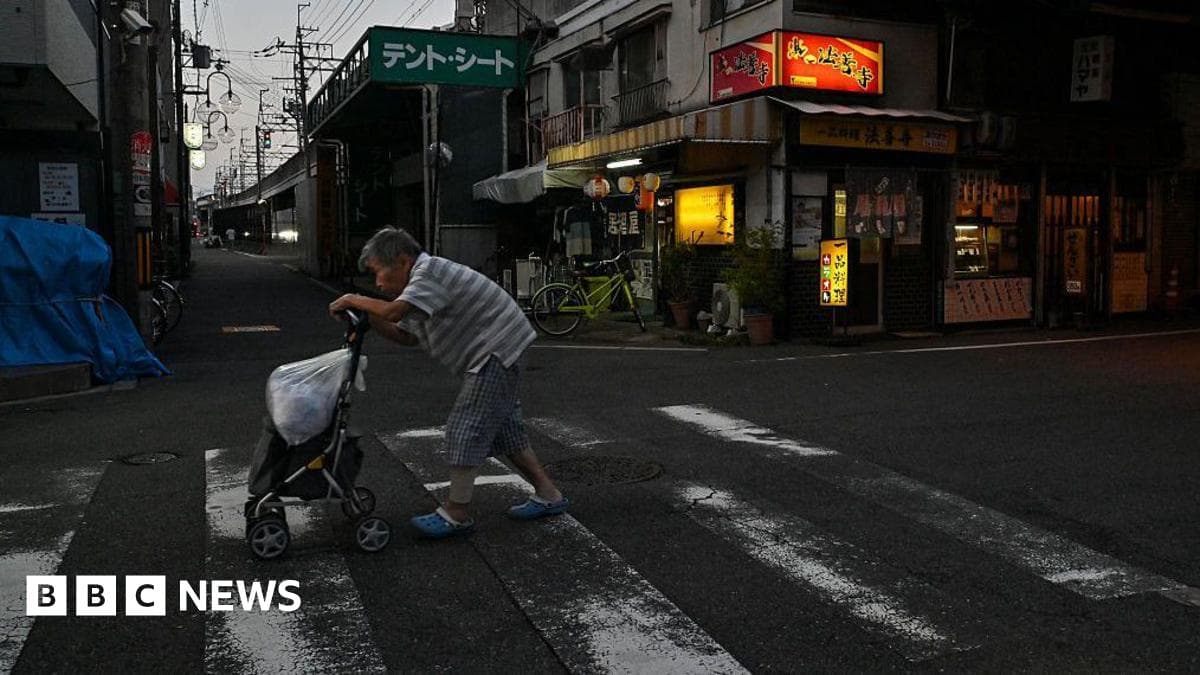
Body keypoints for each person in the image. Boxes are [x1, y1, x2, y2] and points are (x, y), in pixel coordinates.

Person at [328, 226, 567, 539]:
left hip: (496, 349)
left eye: (378, 273)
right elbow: (405, 334)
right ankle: (550, 495)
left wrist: (353, 299)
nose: (378, 283)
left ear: (402, 261)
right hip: (499, 347)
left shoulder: (428, 273)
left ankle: (457, 512)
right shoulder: (417, 288)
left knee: (465, 426)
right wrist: (369, 316)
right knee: (506, 428)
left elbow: (394, 311)